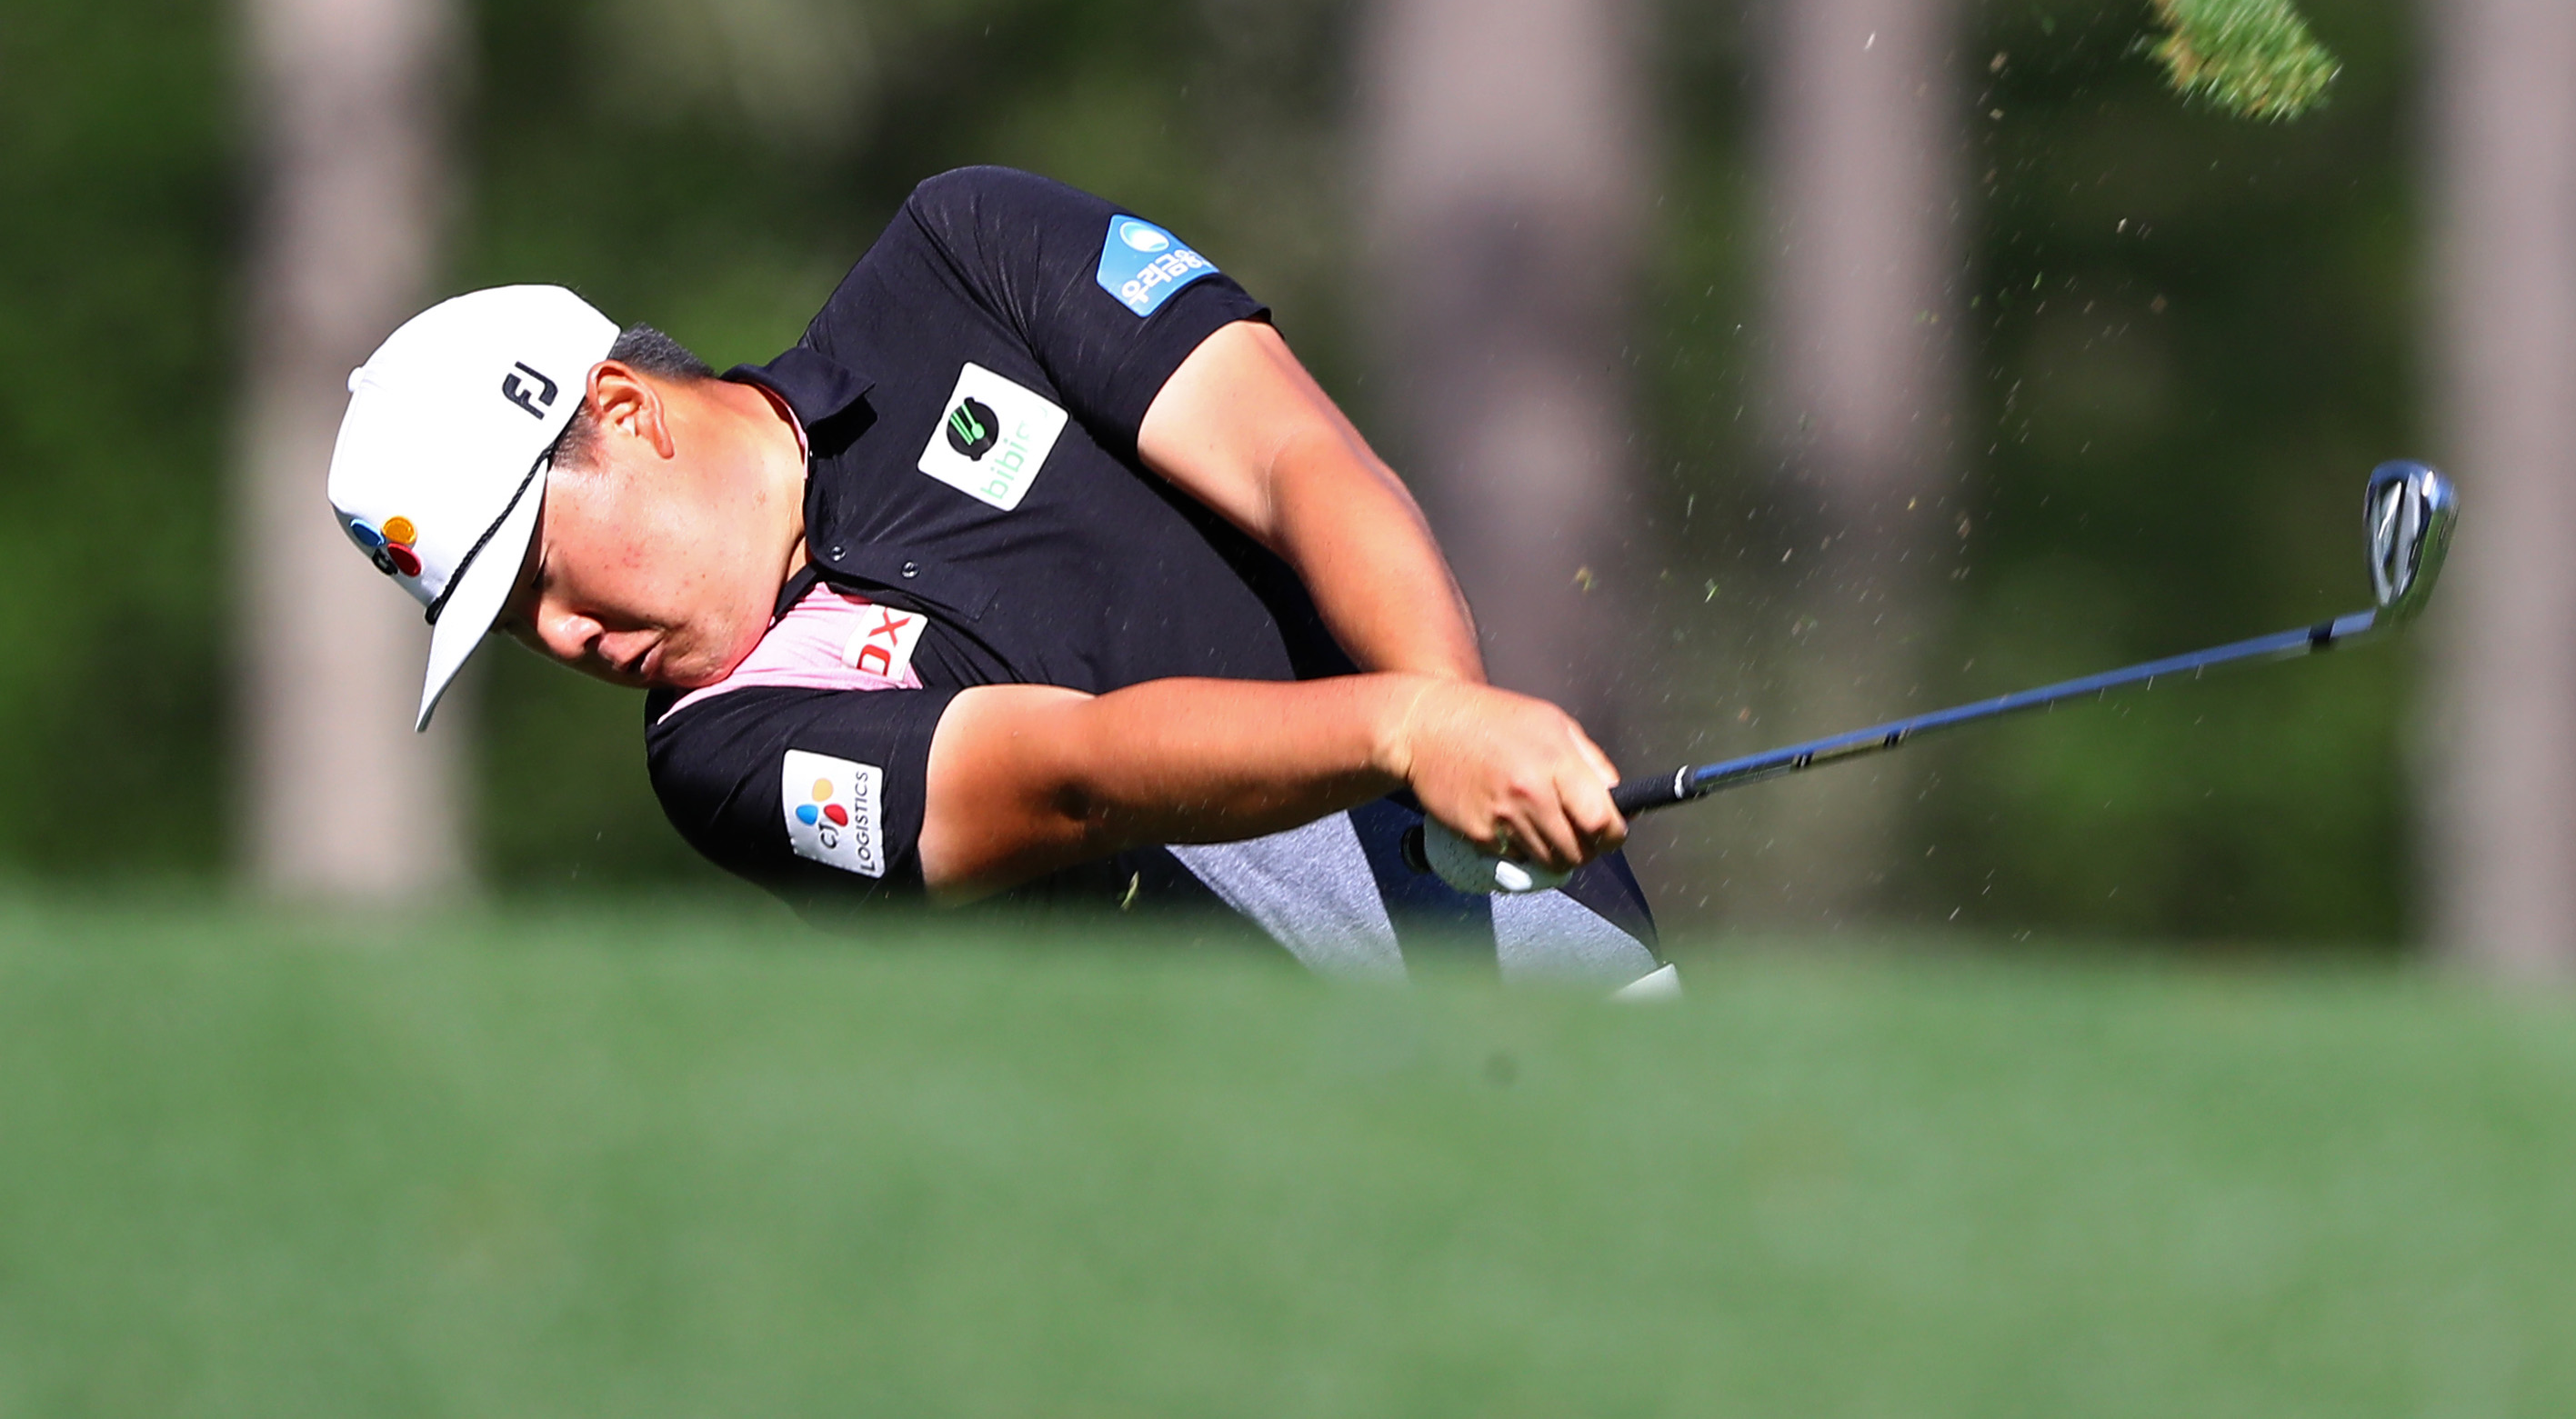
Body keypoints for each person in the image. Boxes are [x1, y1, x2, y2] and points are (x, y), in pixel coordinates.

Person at [327, 166, 1670, 989]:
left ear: (623, 409)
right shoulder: (717, 757)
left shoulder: (961, 257)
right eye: (513, 625)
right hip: (1275, 1155)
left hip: (1546, 965)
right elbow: (1076, 775)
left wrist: (1450, 719)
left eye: (541, 571)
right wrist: (1414, 731)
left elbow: (1294, 458)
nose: (564, 636)